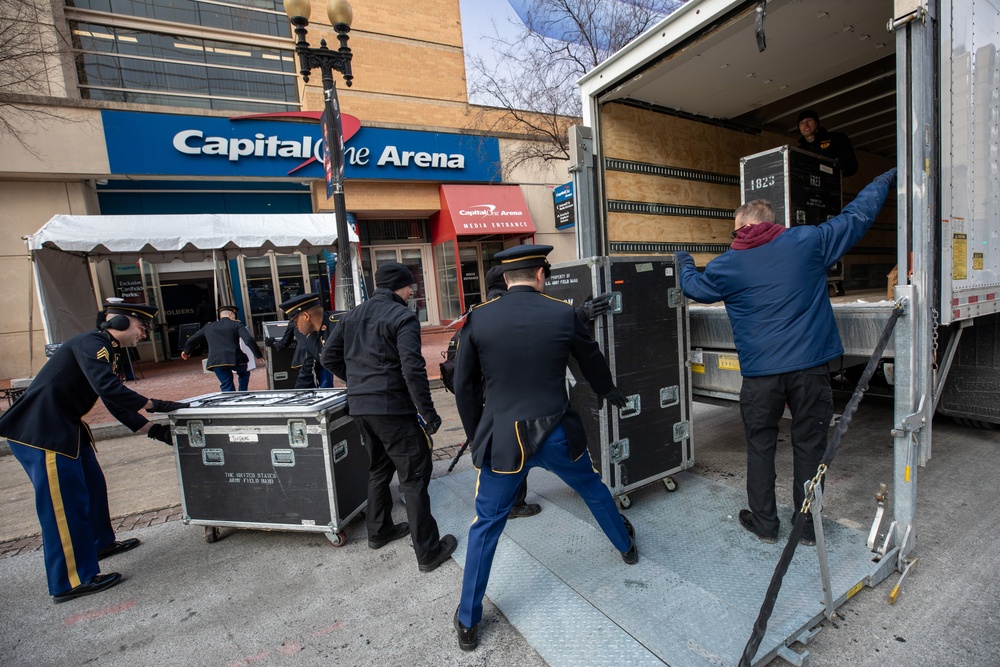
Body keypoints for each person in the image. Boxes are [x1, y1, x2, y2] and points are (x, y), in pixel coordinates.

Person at [674, 168, 896, 547]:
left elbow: (693, 287)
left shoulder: (728, 265)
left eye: (735, 230)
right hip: (810, 371)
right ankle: (806, 526)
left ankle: (764, 523)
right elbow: (856, 217)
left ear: (744, 224)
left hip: (761, 376)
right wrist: (886, 178)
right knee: (810, 446)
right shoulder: (807, 242)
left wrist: (683, 259)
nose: (735, 236)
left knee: (760, 446)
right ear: (772, 223)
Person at [451, 244, 635, 652]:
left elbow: (463, 386)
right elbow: (592, 362)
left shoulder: (478, 319)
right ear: (539, 275)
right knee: (591, 488)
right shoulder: (562, 313)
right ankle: (625, 547)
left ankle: (467, 620)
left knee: (486, 526)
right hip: (555, 429)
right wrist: (608, 392)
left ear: (506, 278)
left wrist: (476, 433)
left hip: (503, 438)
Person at [0, 303, 188, 603]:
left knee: (93, 487)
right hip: (44, 431)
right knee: (63, 507)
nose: (144, 334)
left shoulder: (106, 349)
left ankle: (101, 542)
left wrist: (152, 431)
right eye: (143, 327)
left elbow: (112, 399)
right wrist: (154, 404)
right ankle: (71, 580)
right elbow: (109, 390)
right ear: (121, 321)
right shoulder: (93, 342)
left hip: (65, 429)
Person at [317, 266, 457, 573]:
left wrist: (358, 382)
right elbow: (413, 370)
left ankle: (379, 531)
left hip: (361, 407)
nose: (412, 293)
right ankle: (428, 552)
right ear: (399, 287)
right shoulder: (403, 317)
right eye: (410, 288)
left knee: (378, 469)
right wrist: (428, 413)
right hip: (392, 409)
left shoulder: (352, 315)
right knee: (414, 477)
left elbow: (328, 356)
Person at [181, 305, 264, 392]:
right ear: (231, 314)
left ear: (220, 316)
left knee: (226, 383)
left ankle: (229, 401)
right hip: (235, 358)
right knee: (244, 374)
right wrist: (258, 355)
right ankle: (242, 393)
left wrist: (186, 352)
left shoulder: (208, 326)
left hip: (216, 361)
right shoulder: (236, 324)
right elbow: (249, 340)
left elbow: (192, 339)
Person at [265, 302, 336, 389]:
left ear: (306, 316)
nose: (297, 326)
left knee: (324, 385)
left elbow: (283, 343)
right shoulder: (296, 327)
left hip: (319, 357)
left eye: (296, 322)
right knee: (319, 384)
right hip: (309, 359)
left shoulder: (331, 324)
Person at [797, 109, 858, 177]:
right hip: (806, 186)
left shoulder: (836, 138)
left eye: (809, 120)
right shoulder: (799, 150)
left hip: (830, 184)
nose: (806, 125)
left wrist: (839, 167)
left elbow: (852, 166)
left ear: (817, 123)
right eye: (801, 123)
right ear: (799, 128)